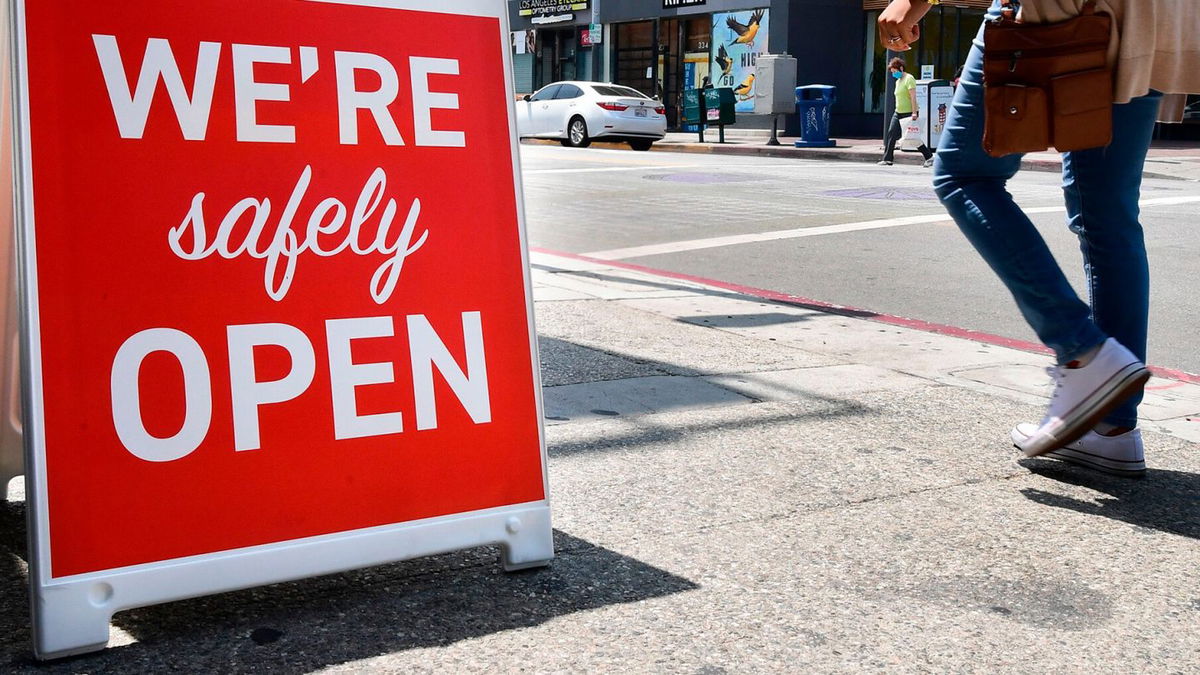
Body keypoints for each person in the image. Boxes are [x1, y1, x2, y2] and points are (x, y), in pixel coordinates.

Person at [878, 0, 1200, 475]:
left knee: (966, 176)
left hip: (1059, 8)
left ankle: (1083, 351)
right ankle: (1112, 428)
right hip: (1159, 16)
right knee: (1109, 217)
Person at [878, 57, 934, 168]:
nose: (894, 74)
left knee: (913, 137)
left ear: (901, 68)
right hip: (898, 112)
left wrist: (914, 113)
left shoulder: (909, 78)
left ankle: (929, 157)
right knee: (891, 133)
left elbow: (913, 97)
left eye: (895, 71)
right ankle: (888, 159)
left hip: (909, 113)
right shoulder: (898, 81)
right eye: (892, 72)